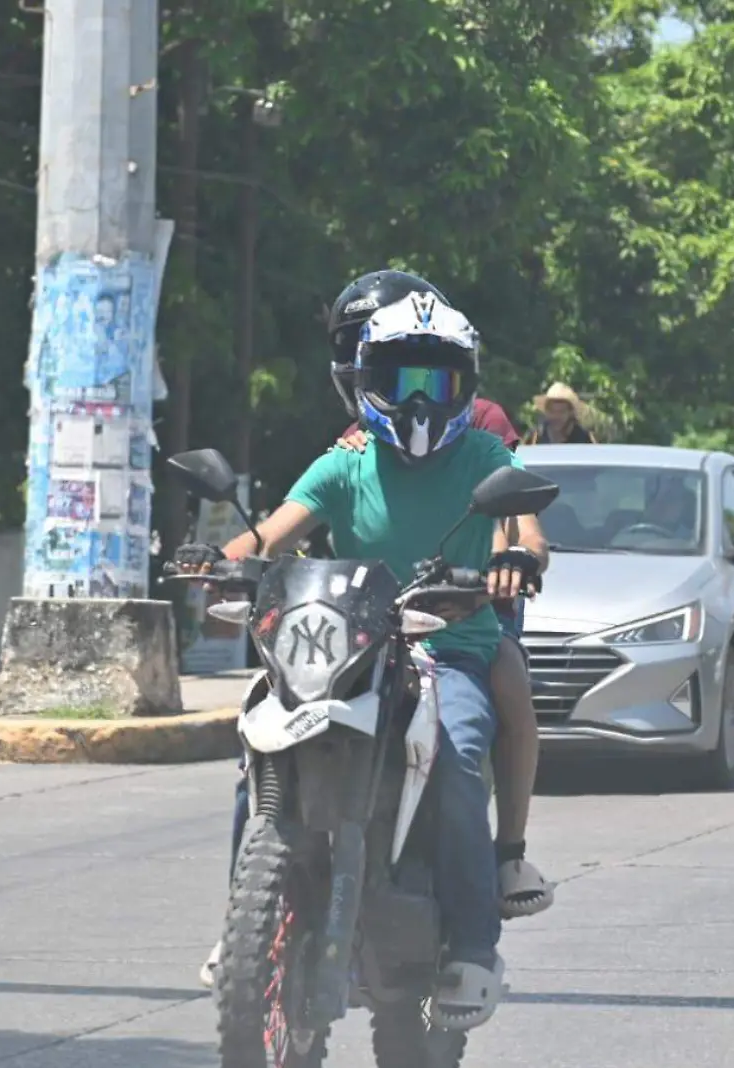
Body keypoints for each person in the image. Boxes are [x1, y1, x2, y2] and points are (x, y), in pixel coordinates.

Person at [182, 291, 539, 1031]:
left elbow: (527, 534)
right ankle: (243, 928)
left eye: (435, 383)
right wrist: (218, 560)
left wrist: (513, 559)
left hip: (450, 651)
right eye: (402, 379)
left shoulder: (485, 455)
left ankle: (473, 944)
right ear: (367, 378)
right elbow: (273, 534)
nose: (417, 400)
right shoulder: (343, 463)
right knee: (259, 760)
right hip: (343, 649)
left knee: (458, 753)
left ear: (463, 388)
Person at [333, 395, 555, 925]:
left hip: (476, 603)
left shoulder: (484, 426)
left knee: (509, 684)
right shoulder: (366, 434)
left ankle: (508, 853)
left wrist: (506, 564)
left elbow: (510, 511)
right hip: (383, 618)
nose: (417, 391)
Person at [523, 382, 599, 444]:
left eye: (561, 412)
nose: (556, 416)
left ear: (570, 412)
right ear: (546, 412)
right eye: (552, 411)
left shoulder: (584, 438)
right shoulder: (535, 436)